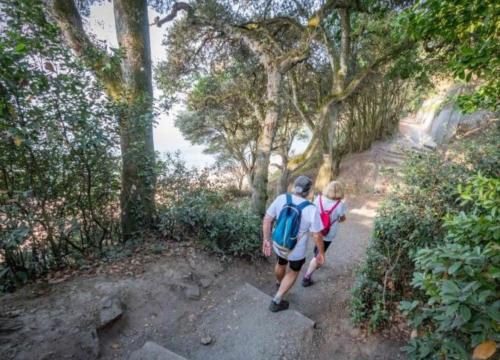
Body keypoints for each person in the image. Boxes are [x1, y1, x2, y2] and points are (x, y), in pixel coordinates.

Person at [262, 175, 325, 312]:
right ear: (308, 191)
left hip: (278, 243)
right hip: (296, 250)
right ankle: (276, 300)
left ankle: (279, 283)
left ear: (294, 187)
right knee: (293, 272)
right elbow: (317, 235)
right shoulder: (311, 209)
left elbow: (267, 219)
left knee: (280, 263)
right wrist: (320, 252)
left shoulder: (281, 198)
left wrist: (266, 240)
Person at [302, 181, 346, 287]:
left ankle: (316, 256)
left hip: (316, 229)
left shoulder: (319, 198)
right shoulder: (340, 204)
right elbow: (342, 218)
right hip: (328, 233)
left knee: (317, 246)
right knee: (319, 253)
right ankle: (306, 278)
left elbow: (313, 211)